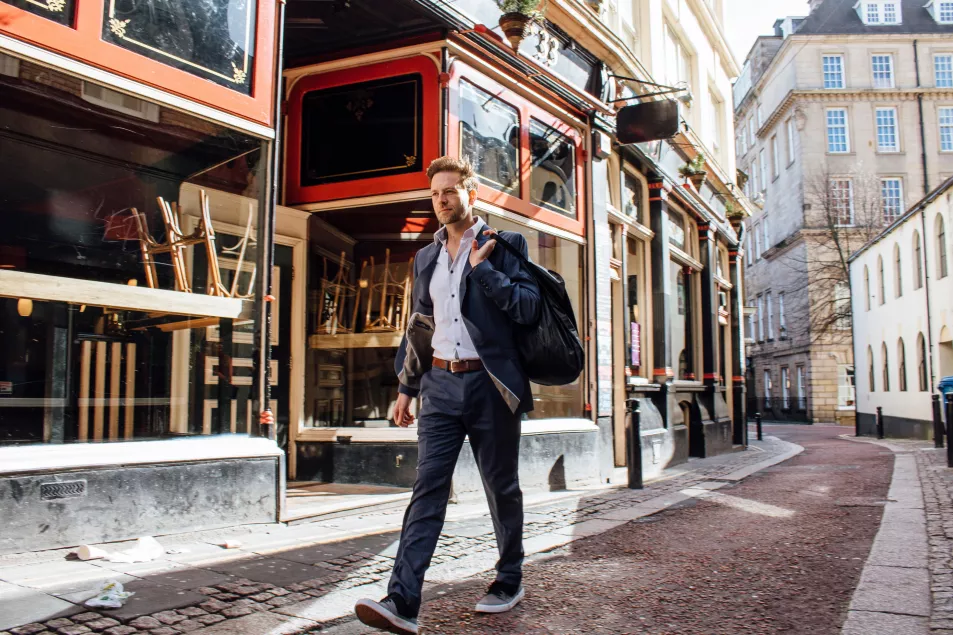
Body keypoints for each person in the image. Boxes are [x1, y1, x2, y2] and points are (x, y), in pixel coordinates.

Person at [354, 157, 542, 635]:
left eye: (450, 191)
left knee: (500, 485)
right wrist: (405, 386)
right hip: (439, 385)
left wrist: (485, 273)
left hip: (491, 385)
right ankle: (403, 600)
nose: (441, 199)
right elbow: (420, 325)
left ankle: (508, 578)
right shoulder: (424, 257)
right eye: (435, 193)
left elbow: (528, 308)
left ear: (470, 193)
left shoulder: (505, 245)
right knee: (428, 489)